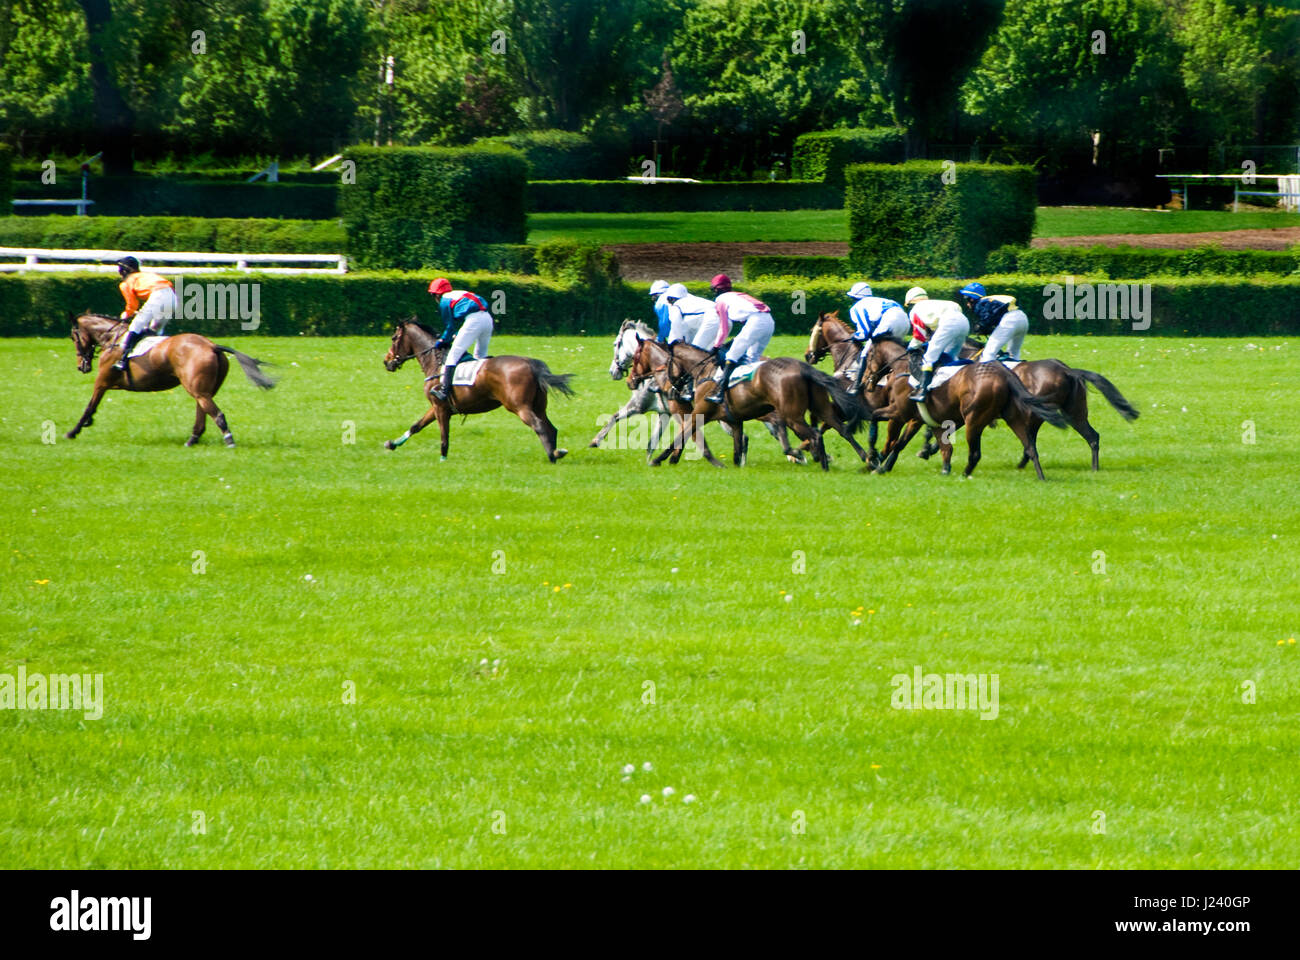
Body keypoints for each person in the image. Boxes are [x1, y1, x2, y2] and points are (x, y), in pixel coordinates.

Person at [707, 273, 774, 404]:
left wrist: (716, 346)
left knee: (731, 356)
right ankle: (754, 390)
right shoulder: (739, 294)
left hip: (755, 322)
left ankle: (720, 393)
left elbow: (724, 329)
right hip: (769, 321)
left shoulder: (720, 300)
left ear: (716, 289)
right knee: (751, 358)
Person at [427, 278, 494, 401]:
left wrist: (442, 341)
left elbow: (449, 326)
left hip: (474, 321)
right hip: (488, 319)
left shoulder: (444, 301)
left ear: (436, 294)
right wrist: (456, 334)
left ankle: (444, 391)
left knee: (452, 356)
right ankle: (481, 387)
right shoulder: (459, 293)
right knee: (480, 356)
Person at [112, 257, 178, 372]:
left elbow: (132, 305)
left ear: (124, 270)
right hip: (172, 296)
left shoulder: (126, 283)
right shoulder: (146, 275)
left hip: (158, 296)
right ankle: (160, 360)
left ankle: (123, 361)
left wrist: (126, 315)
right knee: (155, 331)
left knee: (135, 327)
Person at [904, 286, 970, 402]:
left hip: (949, 323)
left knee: (929, 357)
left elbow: (919, 335)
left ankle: (923, 391)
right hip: (964, 322)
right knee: (951, 356)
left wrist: (911, 347)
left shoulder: (915, 310)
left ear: (911, 303)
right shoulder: (934, 304)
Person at [845, 281, 910, 394]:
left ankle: (856, 385)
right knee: (891, 352)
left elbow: (864, 333)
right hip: (905, 322)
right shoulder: (880, 300)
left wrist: (854, 337)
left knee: (866, 352)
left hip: (889, 322)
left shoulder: (857, 307)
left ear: (855, 297)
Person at [663, 282, 716, 402]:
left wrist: (673, 345)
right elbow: (688, 330)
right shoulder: (692, 302)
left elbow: (676, 326)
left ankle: (691, 390)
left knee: (693, 357)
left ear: (671, 298)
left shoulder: (676, 306)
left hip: (712, 321)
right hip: (725, 320)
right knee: (709, 354)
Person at [958, 281, 1029, 363]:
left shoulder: (980, 303)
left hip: (1010, 320)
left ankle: (986, 374)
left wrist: (980, 327)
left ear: (972, 298)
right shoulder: (989, 299)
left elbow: (986, 320)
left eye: (967, 299)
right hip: (1023, 318)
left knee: (988, 353)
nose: (967, 304)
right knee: (1013, 353)